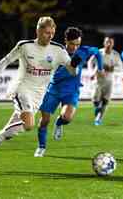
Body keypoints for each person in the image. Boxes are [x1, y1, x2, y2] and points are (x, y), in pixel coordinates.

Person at [0, 17, 78, 171]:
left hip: (38, 95)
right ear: (38, 31)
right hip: (22, 88)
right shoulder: (25, 46)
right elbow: (5, 61)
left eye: (52, 33)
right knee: (29, 124)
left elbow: (72, 71)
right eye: (46, 33)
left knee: (11, 131)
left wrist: (74, 64)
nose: (50, 36)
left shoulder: (58, 50)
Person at [34, 27, 104, 157]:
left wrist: (100, 68)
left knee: (67, 117)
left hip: (71, 91)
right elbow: (52, 74)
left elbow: (97, 52)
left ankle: (59, 123)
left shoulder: (83, 51)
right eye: (72, 44)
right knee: (44, 120)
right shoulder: (56, 53)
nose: (75, 47)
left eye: (78, 44)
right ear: (66, 41)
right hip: (53, 90)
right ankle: (41, 147)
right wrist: (71, 67)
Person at [88, 36, 123, 125]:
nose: (108, 44)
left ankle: (99, 119)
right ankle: (97, 108)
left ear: (113, 44)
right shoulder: (99, 52)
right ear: (104, 43)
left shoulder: (115, 55)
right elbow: (90, 62)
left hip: (109, 81)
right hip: (98, 80)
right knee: (95, 100)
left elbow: (120, 67)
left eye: (110, 42)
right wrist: (92, 73)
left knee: (105, 101)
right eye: (107, 42)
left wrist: (112, 68)